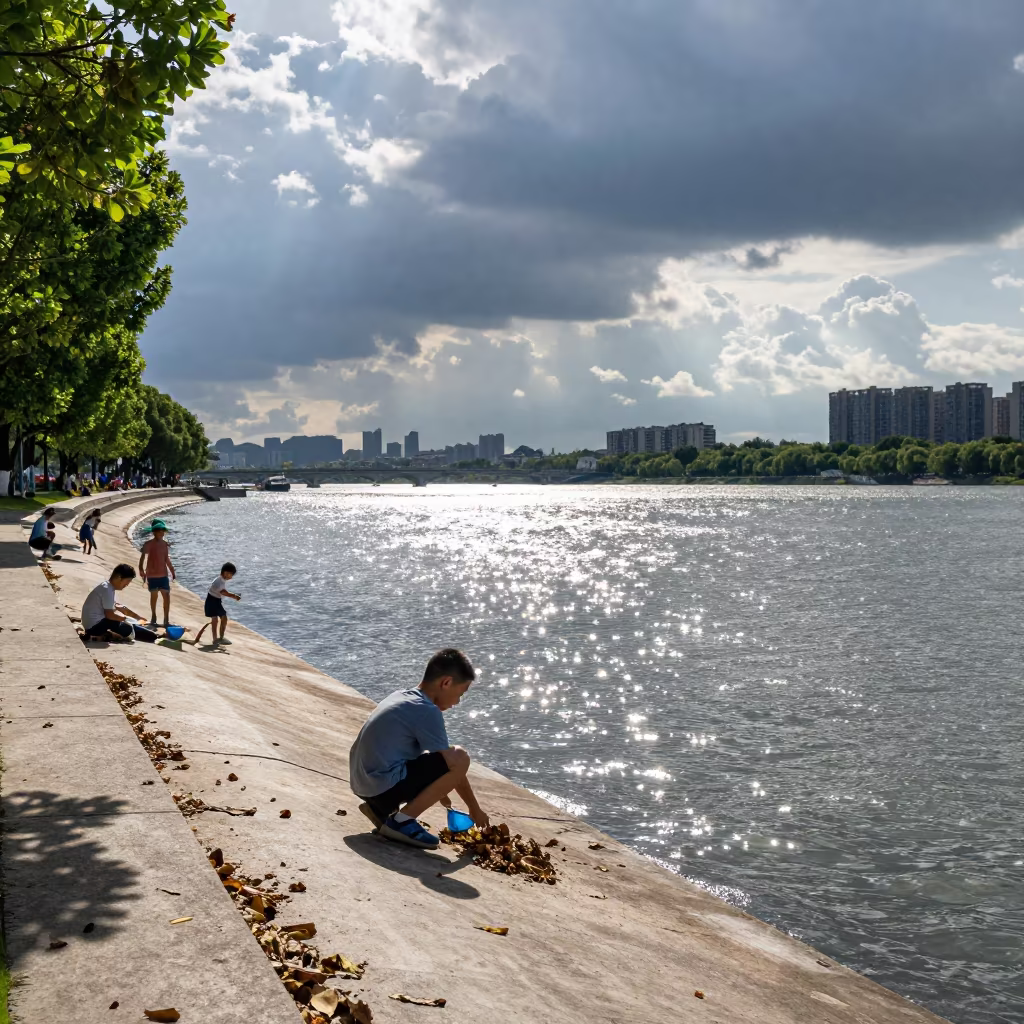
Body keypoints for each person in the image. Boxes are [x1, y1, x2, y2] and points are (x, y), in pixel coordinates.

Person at [349, 648, 489, 850]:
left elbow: (429, 758)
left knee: (439, 758)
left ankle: (381, 811)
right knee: (461, 756)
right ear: (446, 683)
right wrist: (474, 809)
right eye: (460, 694)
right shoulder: (426, 710)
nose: (457, 702)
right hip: (380, 788)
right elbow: (455, 764)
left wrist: (439, 789)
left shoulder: (402, 696)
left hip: (362, 784)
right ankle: (401, 822)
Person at [81, 564, 159, 643]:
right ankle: (150, 636)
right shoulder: (107, 590)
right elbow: (109, 615)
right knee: (127, 628)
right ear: (119, 577)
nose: (127, 584)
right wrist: (125, 619)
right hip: (94, 627)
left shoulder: (107, 587)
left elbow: (120, 607)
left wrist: (137, 617)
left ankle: (149, 634)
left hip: (90, 624)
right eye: (127, 581)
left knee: (124, 622)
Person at [139, 518, 176, 627]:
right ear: (154, 531)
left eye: (163, 530)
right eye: (159, 530)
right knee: (154, 596)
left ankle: (166, 619)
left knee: (166, 597)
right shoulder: (148, 544)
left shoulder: (165, 544)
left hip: (163, 575)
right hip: (152, 575)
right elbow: (142, 557)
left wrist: (172, 570)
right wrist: (141, 569)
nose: (161, 533)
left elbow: (166, 559)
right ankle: (154, 616)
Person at [205, 562, 241, 645]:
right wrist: (235, 596)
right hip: (211, 601)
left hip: (217, 601)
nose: (231, 577)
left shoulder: (222, 580)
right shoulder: (218, 582)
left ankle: (220, 638)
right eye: (231, 574)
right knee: (215, 620)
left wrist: (234, 596)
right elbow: (224, 592)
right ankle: (215, 639)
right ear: (225, 572)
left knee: (224, 618)